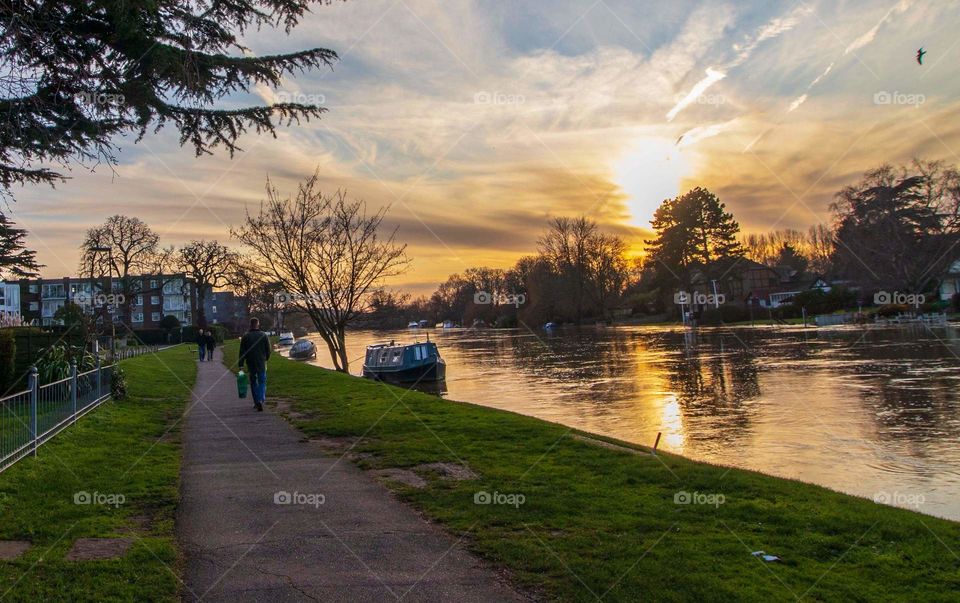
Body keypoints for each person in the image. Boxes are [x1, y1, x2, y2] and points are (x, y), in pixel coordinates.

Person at [239, 318, 271, 411]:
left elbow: (242, 352)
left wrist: (241, 364)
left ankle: (256, 401)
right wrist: (266, 358)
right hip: (261, 361)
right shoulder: (263, 335)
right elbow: (268, 350)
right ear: (258, 324)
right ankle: (261, 399)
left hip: (250, 362)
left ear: (250, 325)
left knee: (253, 382)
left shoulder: (245, 337)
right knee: (262, 381)